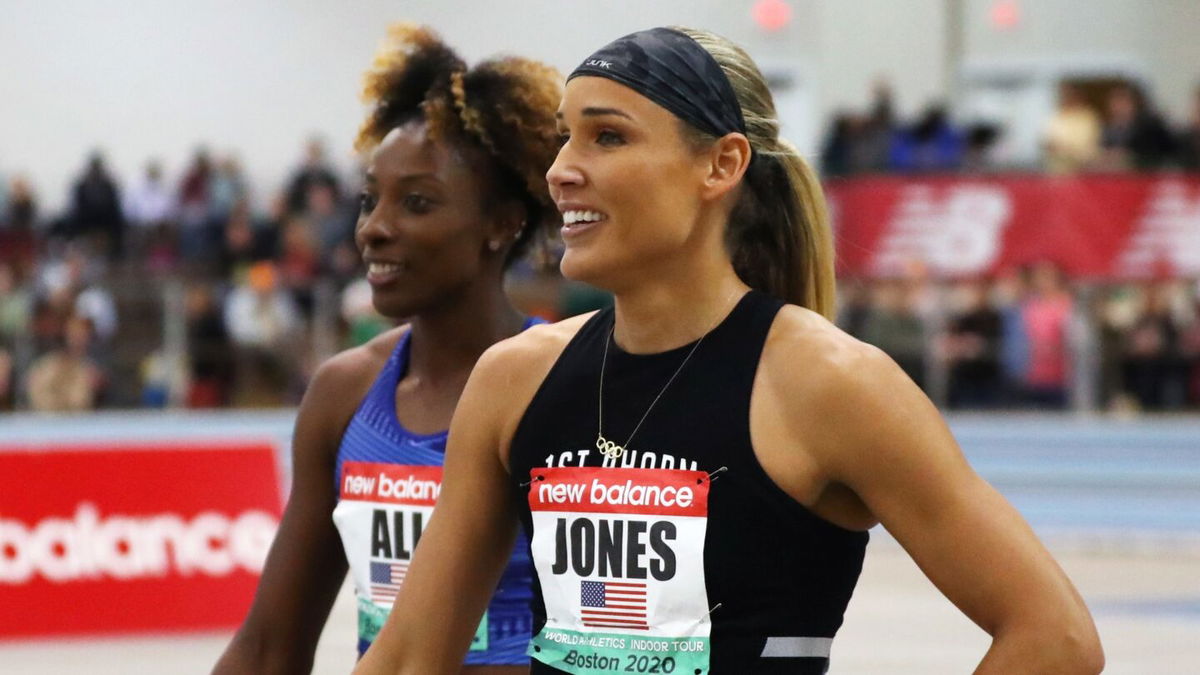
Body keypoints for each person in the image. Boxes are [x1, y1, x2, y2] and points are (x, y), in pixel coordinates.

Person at [355, 27, 1103, 675]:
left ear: (721, 165)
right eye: (565, 138)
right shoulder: (515, 378)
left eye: (607, 136)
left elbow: (1055, 636)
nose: (561, 171)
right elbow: (408, 655)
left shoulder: (829, 384)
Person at [212, 23, 562, 673]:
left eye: (417, 203)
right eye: (370, 200)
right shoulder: (344, 394)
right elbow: (268, 648)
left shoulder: (568, 382)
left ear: (501, 223)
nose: (373, 229)